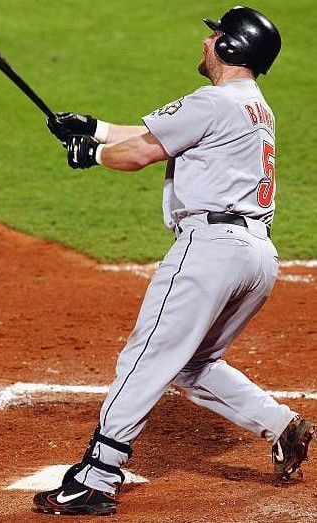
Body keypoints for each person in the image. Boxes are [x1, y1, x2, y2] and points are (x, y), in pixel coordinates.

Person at [33, 6, 315, 517]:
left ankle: (97, 478)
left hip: (209, 251)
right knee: (193, 363)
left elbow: (139, 153)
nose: (206, 43)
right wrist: (93, 128)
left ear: (232, 48)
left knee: (145, 358)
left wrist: (90, 154)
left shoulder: (214, 100)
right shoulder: (252, 105)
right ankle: (279, 425)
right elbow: (148, 136)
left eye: (216, 38)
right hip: (256, 257)